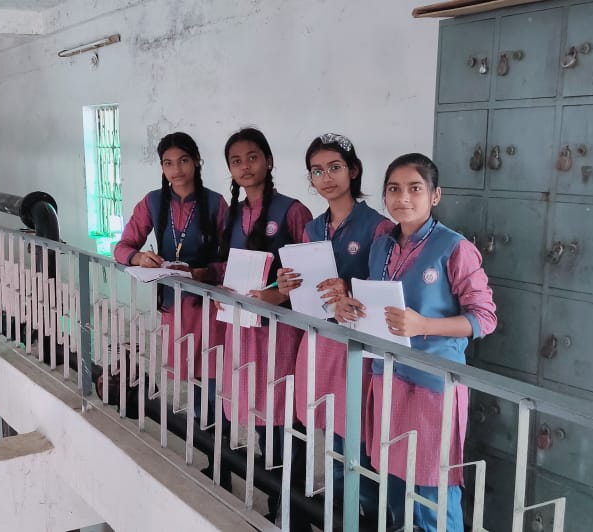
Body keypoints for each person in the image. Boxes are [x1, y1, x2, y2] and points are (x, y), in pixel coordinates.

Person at [335, 153, 496, 531]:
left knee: (431, 489)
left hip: (431, 384)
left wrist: (425, 324)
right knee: (395, 483)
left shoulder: (454, 248)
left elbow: (485, 318)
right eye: (393, 189)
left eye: (414, 189)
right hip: (386, 377)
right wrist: (350, 307)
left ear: (435, 195)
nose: (402, 198)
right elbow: (378, 303)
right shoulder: (382, 246)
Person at [276, 133, 393, 520]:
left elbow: (386, 291)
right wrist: (286, 284)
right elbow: (306, 291)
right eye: (317, 171)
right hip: (320, 340)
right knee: (333, 435)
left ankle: (368, 514)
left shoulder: (378, 227)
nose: (326, 177)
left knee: (358, 436)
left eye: (335, 168)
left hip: (356, 347)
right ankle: (342, 511)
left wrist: (350, 287)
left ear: (353, 170)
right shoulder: (313, 228)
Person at [112, 131, 229, 477]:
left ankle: (222, 462)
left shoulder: (216, 203)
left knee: (214, 384)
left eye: (183, 161)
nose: (176, 170)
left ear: (197, 162)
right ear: (161, 167)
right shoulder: (152, 203)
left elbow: (232, 259)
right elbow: (122, 247)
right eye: (168, 163)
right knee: (194, 383)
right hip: (174, 308)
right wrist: (139, 257)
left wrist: (206, 272)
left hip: (211, 307)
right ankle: (208, 455)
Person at [217, 127, 313, 530]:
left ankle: (294, 513)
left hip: (281, 332)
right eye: (236, 161)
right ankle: (277, 502)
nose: (245, 166)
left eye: (253, 157)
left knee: (286, 418)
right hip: (243, 328)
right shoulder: (233, 213)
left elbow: (308, 274)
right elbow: (224, 265)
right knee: (260, 415)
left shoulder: (292, 211)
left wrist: (276, 295)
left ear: (269, 161)